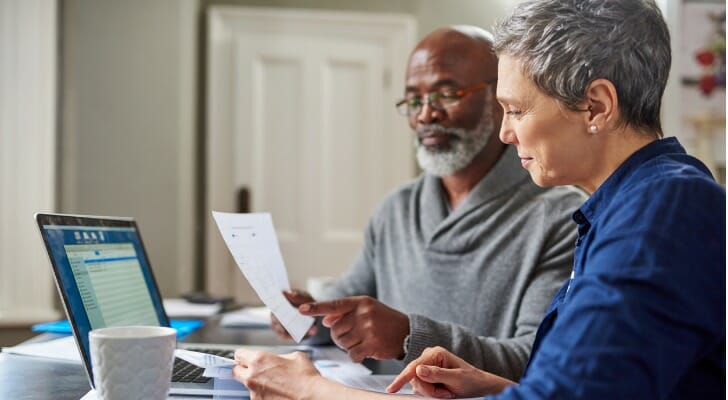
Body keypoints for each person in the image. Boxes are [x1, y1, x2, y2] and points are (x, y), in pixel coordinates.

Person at [232, 0, 726, 398]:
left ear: (595, 106)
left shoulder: (662, 211)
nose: (506, 133)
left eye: (514, 109)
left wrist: (313, 391)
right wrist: (493, 384)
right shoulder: (625, 206)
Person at [270, 25, 586, 380]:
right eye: (414, 100)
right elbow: (348, 308)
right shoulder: (396, 210)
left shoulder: (562, 218)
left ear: (501, 98)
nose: (425, 115)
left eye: (446, 94)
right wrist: (310, 316)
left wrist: (409, 337)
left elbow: (537, 357)